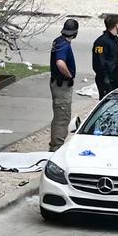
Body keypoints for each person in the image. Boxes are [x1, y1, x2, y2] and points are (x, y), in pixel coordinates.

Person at [49, 19, 78, 152]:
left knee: (59, 116)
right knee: (62, 117)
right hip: (62, 86)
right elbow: (60, 63)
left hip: (56, 83)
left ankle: (55, 144)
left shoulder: (58, 41)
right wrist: (69, 75)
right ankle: (57, 147)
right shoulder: (64, 46)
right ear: (75, 32)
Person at [92, 15, 118, 99]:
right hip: (106, 79)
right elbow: (99, 62)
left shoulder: (114, 40)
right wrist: (107, 78)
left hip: (115, 78)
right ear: (116, 25)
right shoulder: (101, 42)